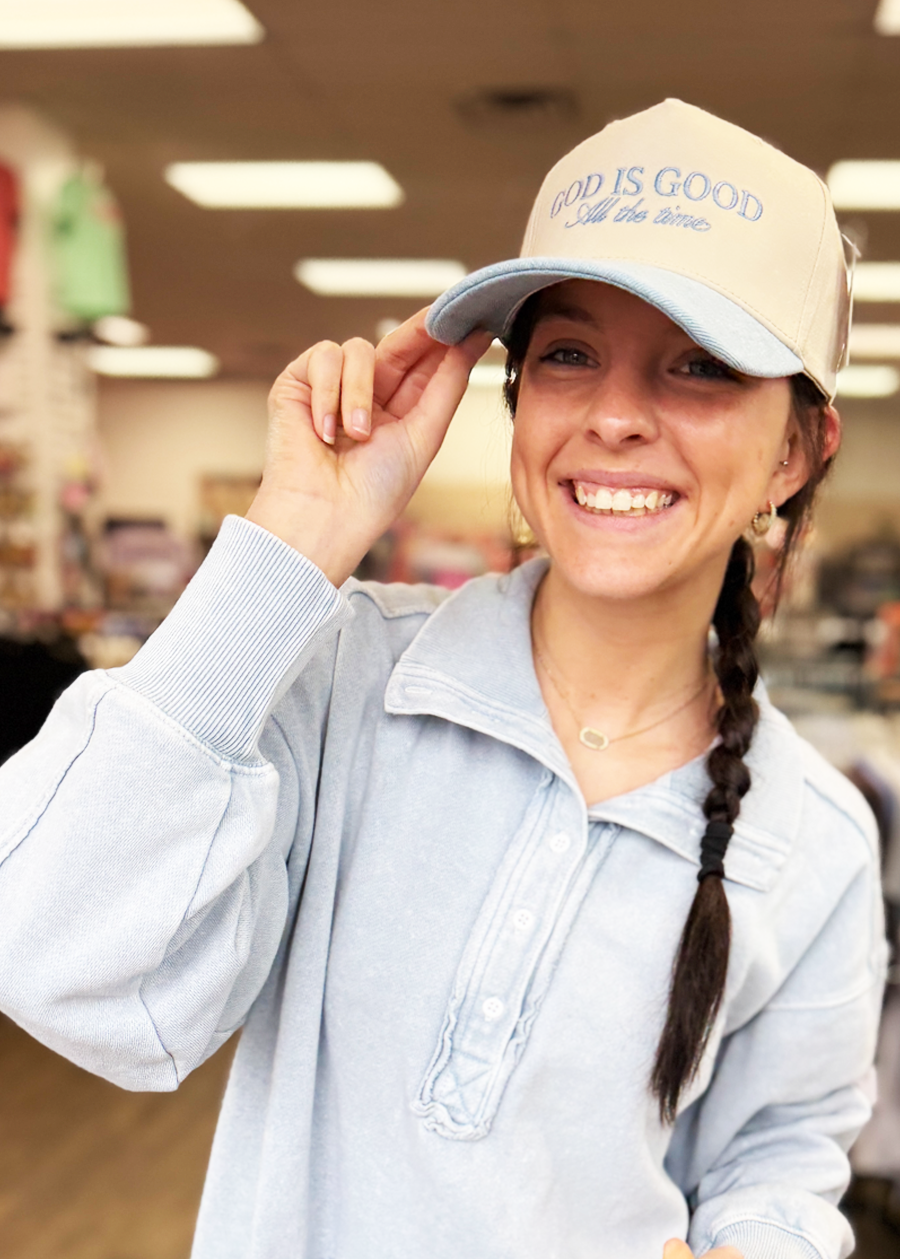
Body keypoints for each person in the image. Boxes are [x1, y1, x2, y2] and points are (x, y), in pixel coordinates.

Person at [0, 100, 886, 1259]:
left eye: (700, 367)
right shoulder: (341, 678)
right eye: (568, 354)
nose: (616, 416)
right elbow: (55, 953)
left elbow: (781, 1155)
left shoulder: (815, 835)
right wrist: (293, 543)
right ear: (516, 399)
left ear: (795, 452)